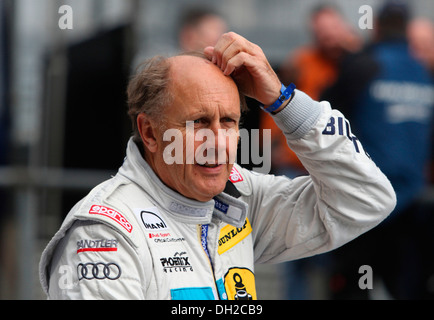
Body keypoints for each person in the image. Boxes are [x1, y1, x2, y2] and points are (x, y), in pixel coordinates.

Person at [39, 32, 396, 300]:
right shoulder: (104, 233)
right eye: (197, 122)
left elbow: (367, 199)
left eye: (228, 121)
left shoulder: (239, 196)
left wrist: (283, 101)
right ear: (149, 132)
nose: (217, 142)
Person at [321, 1, 434, 299]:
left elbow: (321, 117)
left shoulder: (364, 65)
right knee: (409, 288)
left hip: (365, 203)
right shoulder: (423, 72)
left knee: (353, 288)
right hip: (411, 203)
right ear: (407, 29)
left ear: (376, 27)